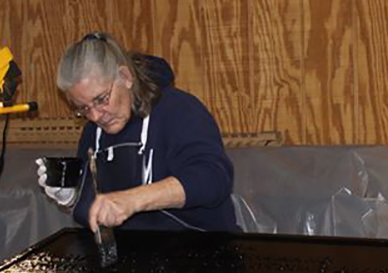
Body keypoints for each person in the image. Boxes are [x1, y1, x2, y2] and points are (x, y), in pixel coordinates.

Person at [37, 32, 238, 233]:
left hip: (202, 250)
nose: (96, 116)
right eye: (83, 108)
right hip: (136, 256)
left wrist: (134, 199)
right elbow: (98, 215)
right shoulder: (93, 132)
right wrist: (75, 198)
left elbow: (213, 179)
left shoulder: (179, 110)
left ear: (125, 77)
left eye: (101, 99)